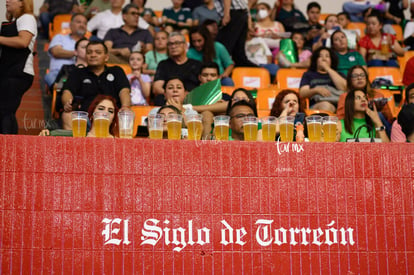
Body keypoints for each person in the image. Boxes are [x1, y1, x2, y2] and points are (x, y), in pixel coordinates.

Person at [61, 41, 131, 130]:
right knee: (67, 115)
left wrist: (125, 106)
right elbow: (67, 91)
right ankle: (77, 143)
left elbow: (124, 91)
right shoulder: (77, 72)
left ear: (106, 57)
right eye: (89, 52)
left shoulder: (116, 71)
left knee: (126, 114)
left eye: (98, 52)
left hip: (111, 117)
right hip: (85, 118)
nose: (93, 55)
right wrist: (67, 103)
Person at [0, 0, 37, 134]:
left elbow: (23, 41)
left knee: (5, 111)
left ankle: (7, 147)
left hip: (18, 72)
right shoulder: (17, 20)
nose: (7, 1)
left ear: (22, 3)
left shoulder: (26, 18)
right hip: (9, 71)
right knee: (5, 111)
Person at [152, 32, 202, 104]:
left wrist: (186, 96)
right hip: (169, 102)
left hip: (193, 100)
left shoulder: (197, 64)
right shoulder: (163, 64)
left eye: (177, 43)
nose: (173, 46)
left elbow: (203, 86)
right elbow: (156, 88)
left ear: (185, 45)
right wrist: (173, 96)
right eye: (170, 44)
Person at [44, 13, 88, 88]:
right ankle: (65, 89)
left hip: (82, 74)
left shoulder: (89, 43)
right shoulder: (60, 37)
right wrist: (77, 53)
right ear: (70, 25)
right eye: (78, 22)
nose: (82, 25)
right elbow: (56, 52)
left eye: (84, 23)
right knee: (50, 77)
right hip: (59, 73)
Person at [299, 46, 347, 113]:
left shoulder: (339, 74)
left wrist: (327, 68)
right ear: (316, 60)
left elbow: (344, 88)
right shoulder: (309, 74)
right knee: (326, 105)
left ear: (331, 60)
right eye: (320, 56)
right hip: (317, 105)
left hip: (338, 105)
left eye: (327, 56)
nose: (324, 59)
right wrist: (316, 90)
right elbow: (302, 93)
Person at [215, 0, 257, 67]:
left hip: (233, 13)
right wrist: (249, 21)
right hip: (242, 13)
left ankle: (219, 71)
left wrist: (226, 14)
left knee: (223, 49)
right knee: (238, 53)